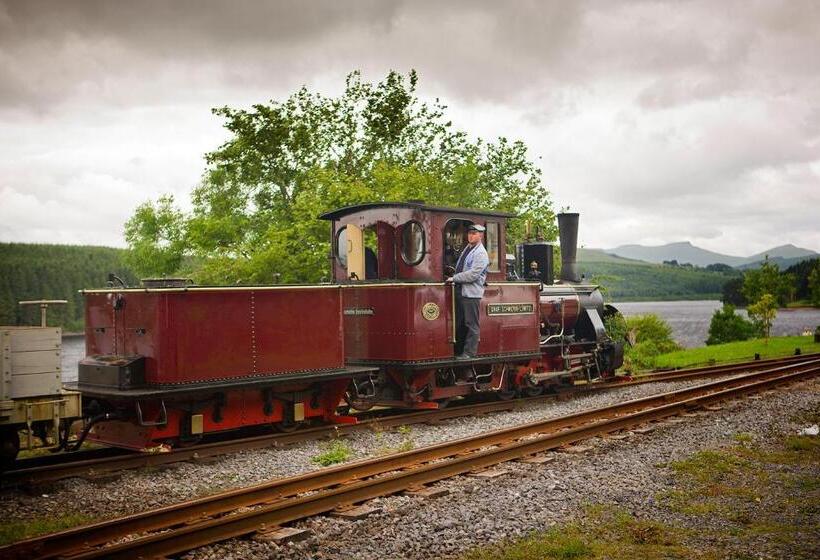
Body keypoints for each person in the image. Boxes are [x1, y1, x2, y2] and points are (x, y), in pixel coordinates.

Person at [446, 224, 489, 360]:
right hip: (462, 290)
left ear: (481, 235)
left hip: (471, 293)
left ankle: (470, 353)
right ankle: (459, 351)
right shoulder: (468, 249)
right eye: (470, 233)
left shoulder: (481, 253)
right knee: (460, 322)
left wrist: (455, 277)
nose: (471, 236)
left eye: (474, 233)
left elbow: (473, 275)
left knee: (472, 324)